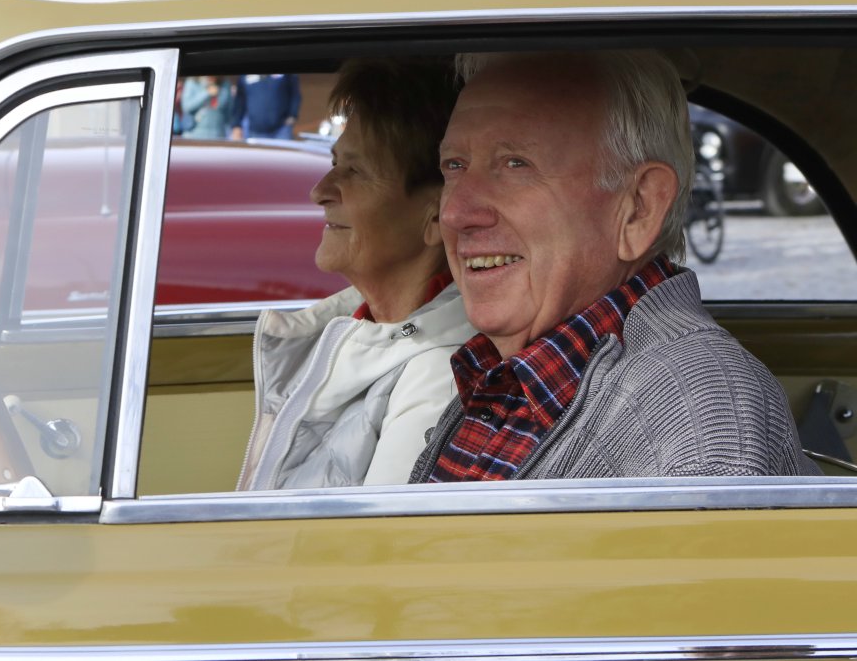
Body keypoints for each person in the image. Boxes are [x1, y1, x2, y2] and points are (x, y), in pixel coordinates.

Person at [411, 51, 814, 482]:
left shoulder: (693, 424)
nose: (454, 213)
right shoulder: (512, 370)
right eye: (455, 165)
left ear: (639, 207)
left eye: (515, 164)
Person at [239, 59, 475, 490]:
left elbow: (376, 531)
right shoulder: (352, 331)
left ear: (436, 216)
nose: (320, 191)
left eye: (355, 171)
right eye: (334, 163)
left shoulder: (439, 374)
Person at [233, 73, 301, 140]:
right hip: (255, 130)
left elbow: (295, 94)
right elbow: (239, 101)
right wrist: (236, 125)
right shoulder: (245, 77)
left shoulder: (287, 76)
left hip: (281, 129)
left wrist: (293, 115)